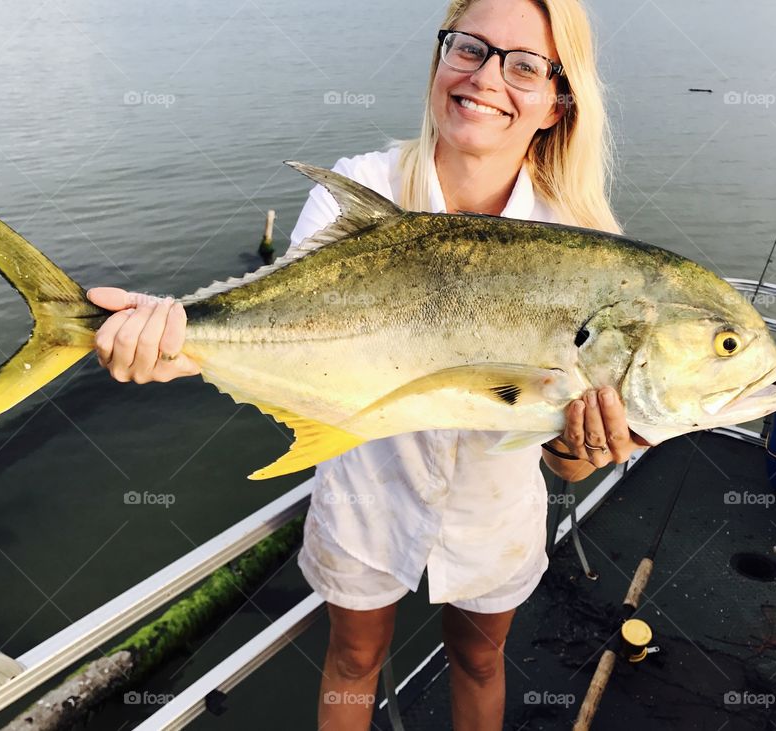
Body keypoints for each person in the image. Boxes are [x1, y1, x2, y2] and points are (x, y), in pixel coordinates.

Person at [86, 1, 648, 728]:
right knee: (353, 658)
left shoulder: (587, 245)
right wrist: (171, 347)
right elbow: (289, 335)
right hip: (365, 490)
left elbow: (568, 463)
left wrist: (580, 452)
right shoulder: (361, 185)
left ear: (556, 103)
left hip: (494, 512)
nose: (486, 78)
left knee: (479, 660)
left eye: (525, 65)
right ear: (440, 57)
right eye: (470, 48)